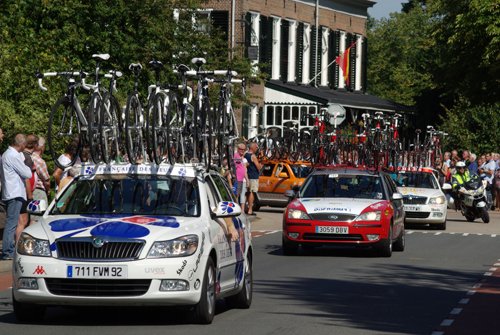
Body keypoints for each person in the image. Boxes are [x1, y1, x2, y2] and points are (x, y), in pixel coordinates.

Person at [1, 134, 32, 260]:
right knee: (12, 223)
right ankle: (8, 251)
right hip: (14, 193)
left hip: (11, 192)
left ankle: (8, 249)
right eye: (24, 145)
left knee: (12, 222)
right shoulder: (13, 156)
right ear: (21, 144)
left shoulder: (7, 154)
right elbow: (27, 173)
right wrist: (24, 164)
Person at [244, 142, 262, 216]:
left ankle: (244, 208)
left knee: (246, 193)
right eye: (256, 147)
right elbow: (258, 167)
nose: (257, 148)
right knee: (252, 192)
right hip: (253, 176)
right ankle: (250, 209)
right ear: (253, 148)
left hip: (247, 176)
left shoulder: (245, 154)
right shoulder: (253, 156)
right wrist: (261, 165)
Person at [32, 136, 51, 203]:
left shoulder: (27, 156)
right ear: (42, 147)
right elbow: (46, 181)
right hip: (38, 192)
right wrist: (48, 190)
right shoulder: (40, 161)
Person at [234, 143, 249, 212]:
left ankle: (242, 210)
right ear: (238, 149)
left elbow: (244, 170)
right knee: (237, 194)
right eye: (241, 149)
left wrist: (247, 180)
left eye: (244, 149)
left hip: (243, 179)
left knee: (242, 194)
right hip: (238, 178)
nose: (242, 151)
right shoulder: (236, 156)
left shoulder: (244, 159)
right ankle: (237, 208)